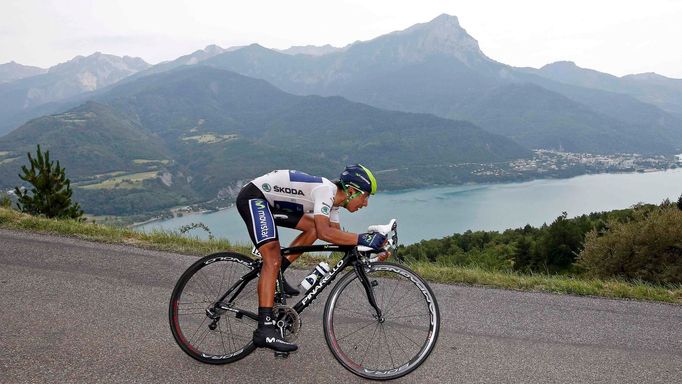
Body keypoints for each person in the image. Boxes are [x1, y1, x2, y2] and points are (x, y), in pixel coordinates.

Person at [236, 164, 387, 352]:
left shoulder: (334, 206)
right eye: (365, 197)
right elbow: (327, 233)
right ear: (351, 191)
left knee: (314, 228)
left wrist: (372, 251)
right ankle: (264, 330)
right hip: (254, 198)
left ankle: (277, 273)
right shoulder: (326, 191)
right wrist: (363, 238)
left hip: (270, 203)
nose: (365, 204)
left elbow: (339, 240)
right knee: (272, 258)